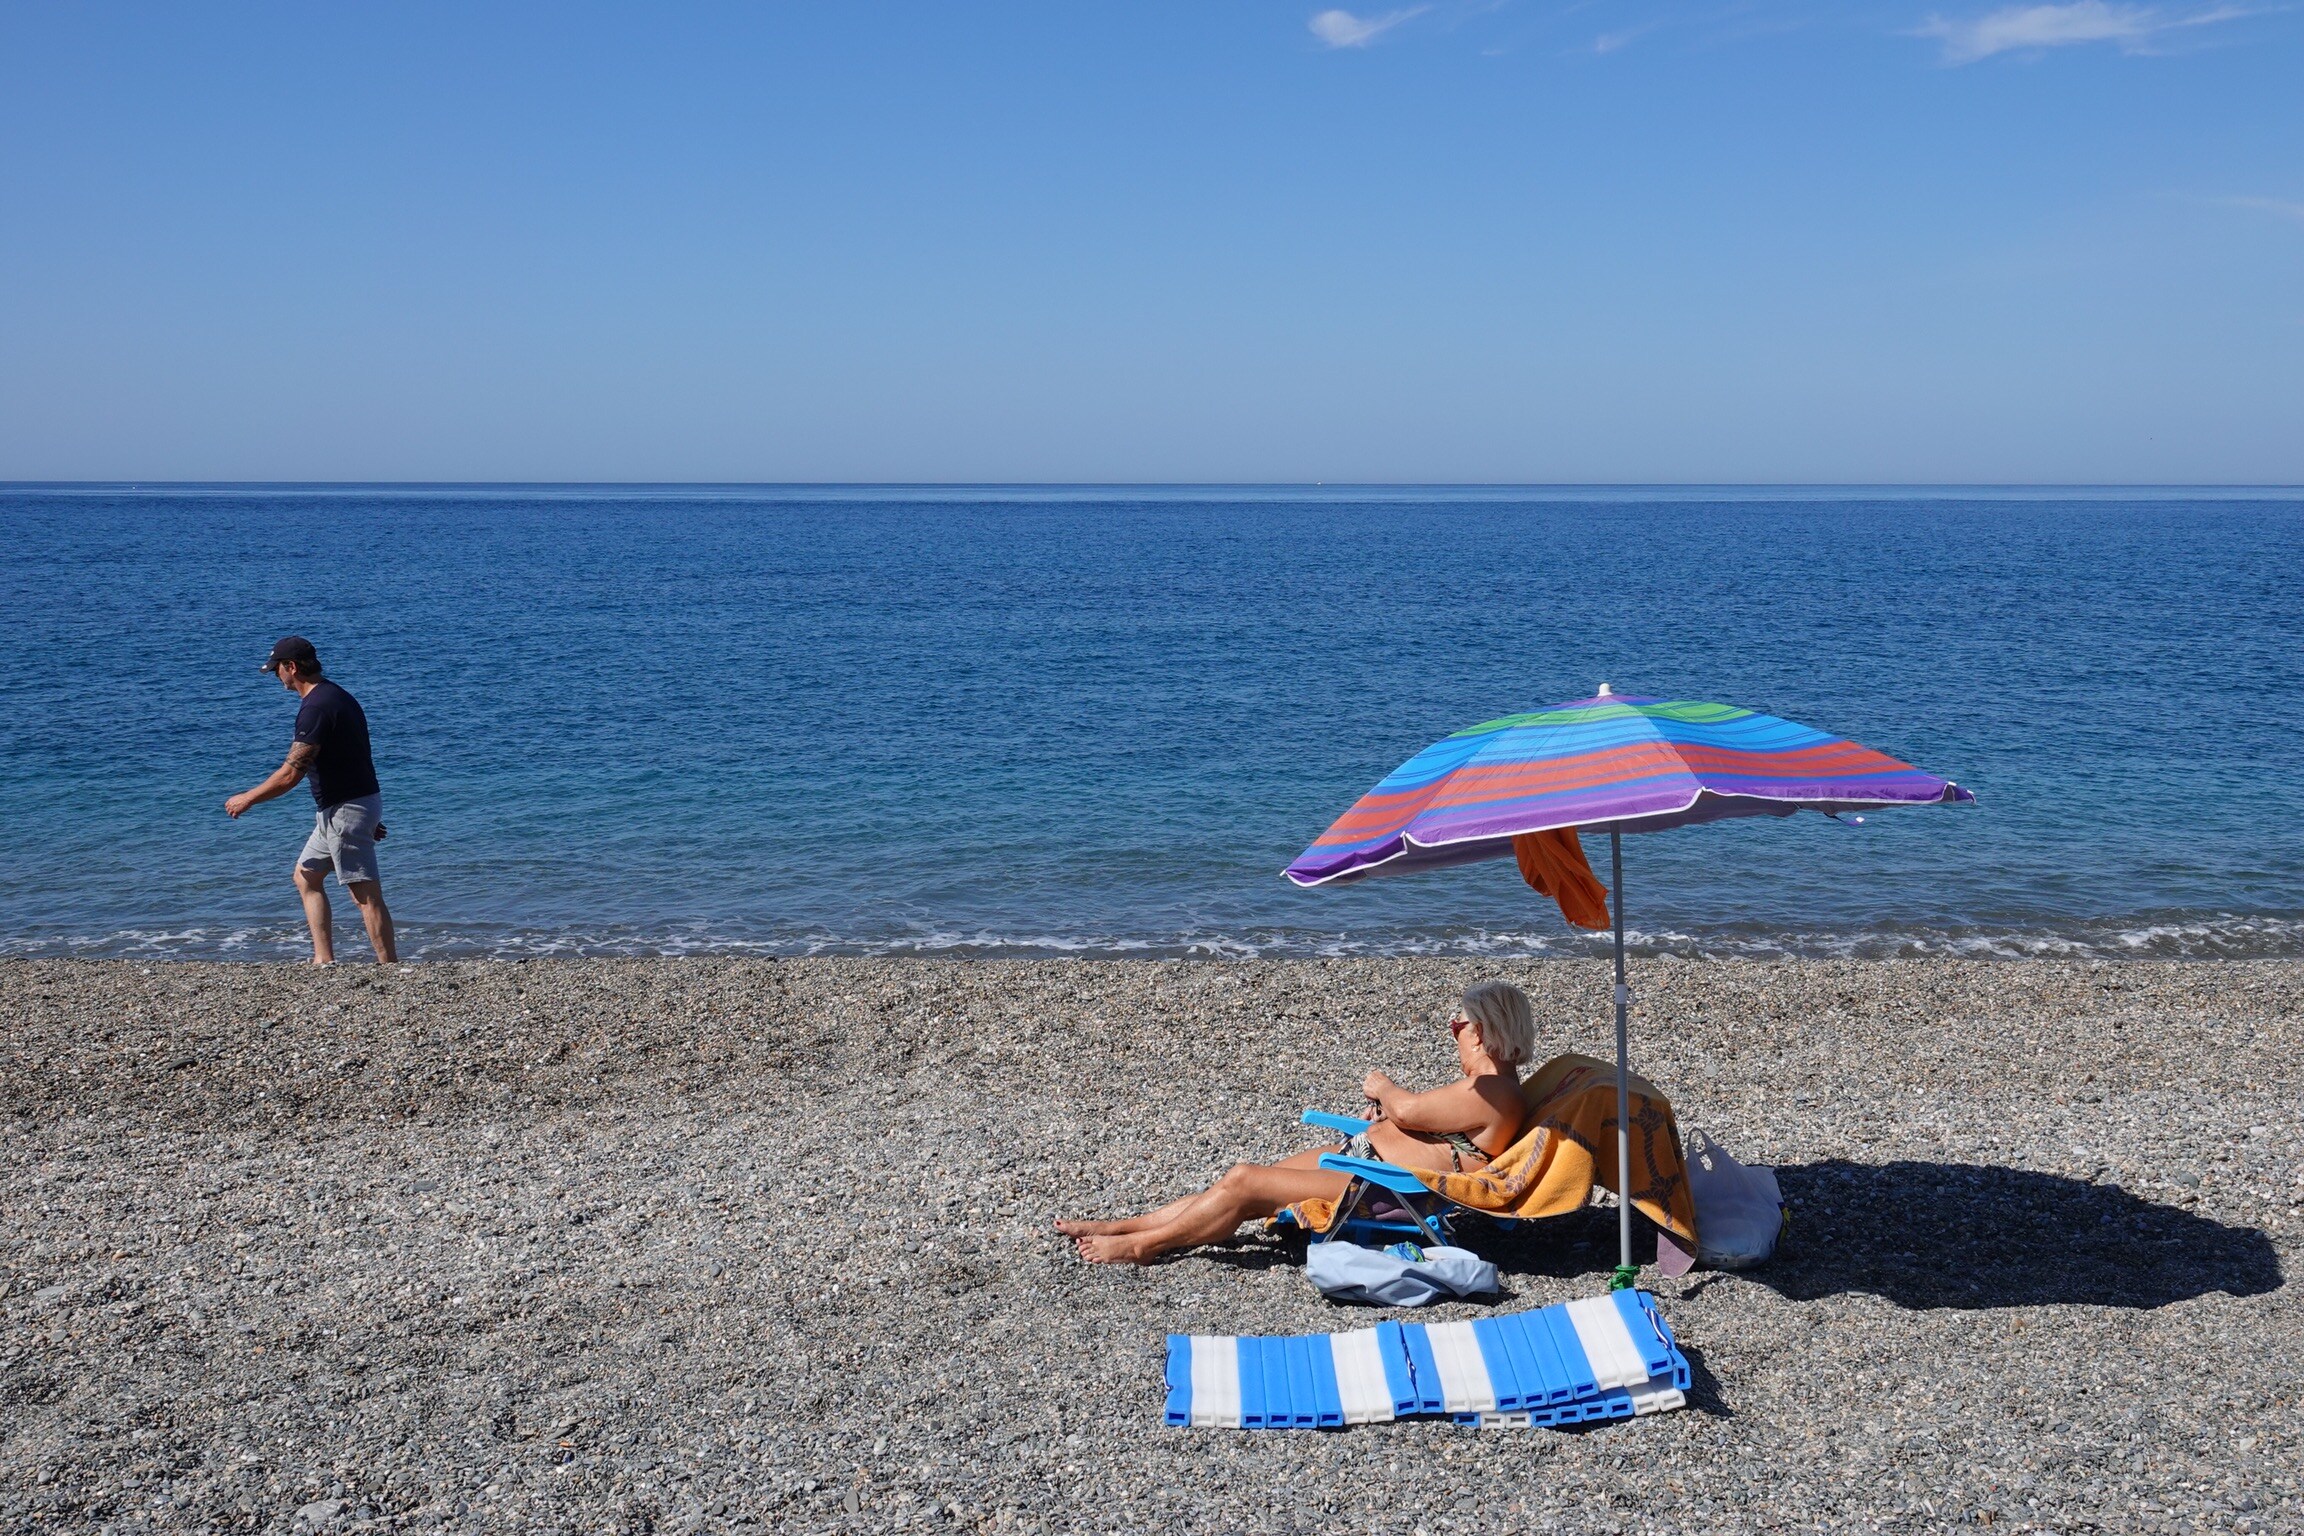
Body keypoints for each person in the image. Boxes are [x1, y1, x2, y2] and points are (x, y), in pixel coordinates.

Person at [1056, 980, 1536, 1264]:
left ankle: (1145, 1247)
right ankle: (1122, 1226)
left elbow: (1410, 1110)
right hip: (1366, 1165)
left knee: (1245, 1180)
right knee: (1234, 1185)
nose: (1453, 1032)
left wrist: (1382, 1087)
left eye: (1459, 1024)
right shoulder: (1486, 1089)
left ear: (1484, 1030)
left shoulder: (1493, 1089)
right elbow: (1426, 1122)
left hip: (1382, 1188)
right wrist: (1390, 1115)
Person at [224, 636, 398, 965]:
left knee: (365, 895)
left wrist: (248, 798)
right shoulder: (336, 696)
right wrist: (366, 815)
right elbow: (354, 757)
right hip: (346, 807)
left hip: (346, 809)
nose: (276, 677)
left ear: (292, 667)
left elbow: (292, 773)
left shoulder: (316, 708)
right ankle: (323, 959)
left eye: (277, 670)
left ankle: (389, 967)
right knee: (306, 876)